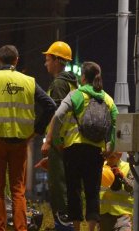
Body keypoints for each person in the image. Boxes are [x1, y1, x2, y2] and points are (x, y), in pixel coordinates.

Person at [0, 45, 56, 231]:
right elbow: (50, 105)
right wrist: (37, 130)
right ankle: (20, 228)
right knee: (18, 190)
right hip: (20, 141)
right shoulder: (29, 81)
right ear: (16, 61)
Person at [41, 61, 118, 231]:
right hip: (96, 151)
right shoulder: (107, 98)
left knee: (73, 190)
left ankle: (76, 228)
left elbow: (58, 115)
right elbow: (116, 121)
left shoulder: (77, 94)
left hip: (74, 148)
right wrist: (109, 146)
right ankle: (90, 229)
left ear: (83, 77)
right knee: (92, 192)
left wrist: (52, 140)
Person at [42, 41, 79, 231]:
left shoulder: (58, 84)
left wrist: (49, 141)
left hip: (61, 142)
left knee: (58, 184)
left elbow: (57, 115)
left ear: (57, 60)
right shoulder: (74, 82)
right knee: (69, 184)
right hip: (73, 141)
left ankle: (63, 224)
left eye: (48, 59)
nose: (46, 63)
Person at [99, 152, 133, 231]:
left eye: (116, 152)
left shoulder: (128, 167)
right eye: (110, 152)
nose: (112, 155)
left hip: (122, 215)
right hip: (103, 214)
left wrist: (122, 177)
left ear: (120, 154)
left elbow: (131, 188)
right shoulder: (100, 167)